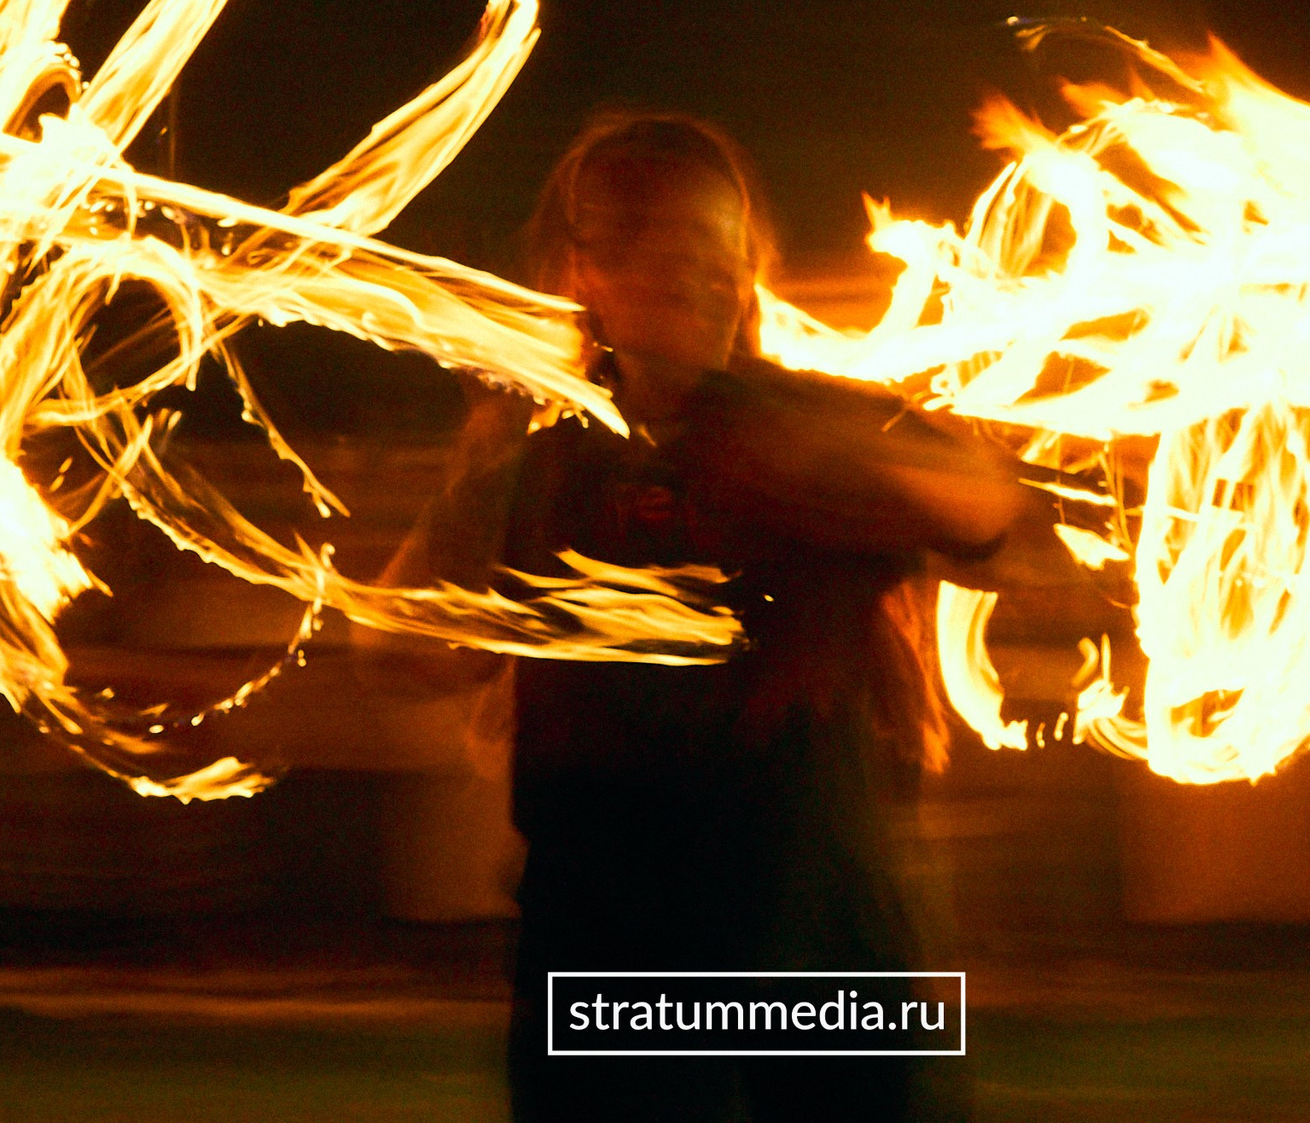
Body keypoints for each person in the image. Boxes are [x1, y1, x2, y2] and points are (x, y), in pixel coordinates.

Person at [374, 109, 1026, 1123]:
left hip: (827, 947)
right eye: (656, 241)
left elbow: (996, 514)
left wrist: (843, 469)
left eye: (717, 248)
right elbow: (396, 644)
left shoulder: (820, 425)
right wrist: (528, 602)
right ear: (582, 269)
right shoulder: (536, 471)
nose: (695, 272)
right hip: (611, 946)